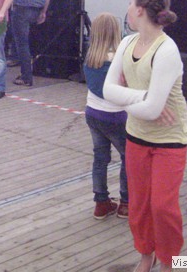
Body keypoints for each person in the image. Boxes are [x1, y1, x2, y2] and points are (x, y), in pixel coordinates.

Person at [103, 0, 187, 272]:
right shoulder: (127, 43)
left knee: (163, 207)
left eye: (130, 2)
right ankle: (146, 255)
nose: (127, 7)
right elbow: (107, 91)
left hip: (170, 140)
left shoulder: (167, 50)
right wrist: (142, 97)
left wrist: (126, 99)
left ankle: (168, 262)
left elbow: (152, 111)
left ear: (139, 10)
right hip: (137, 136)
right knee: (139, 205)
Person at [84, 13, 128, 220]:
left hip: (93, 112)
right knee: (127, 158)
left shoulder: (90, 57)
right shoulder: (119, 59)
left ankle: (101, 202)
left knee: (100, 158)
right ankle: (126, 202)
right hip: (115, 116)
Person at [10, 0, 50, 86]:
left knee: (22, 44)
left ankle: (26, 77)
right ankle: (35, 70)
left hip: (21, 10)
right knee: (32, 42)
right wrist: (43, 11)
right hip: (37, 10)